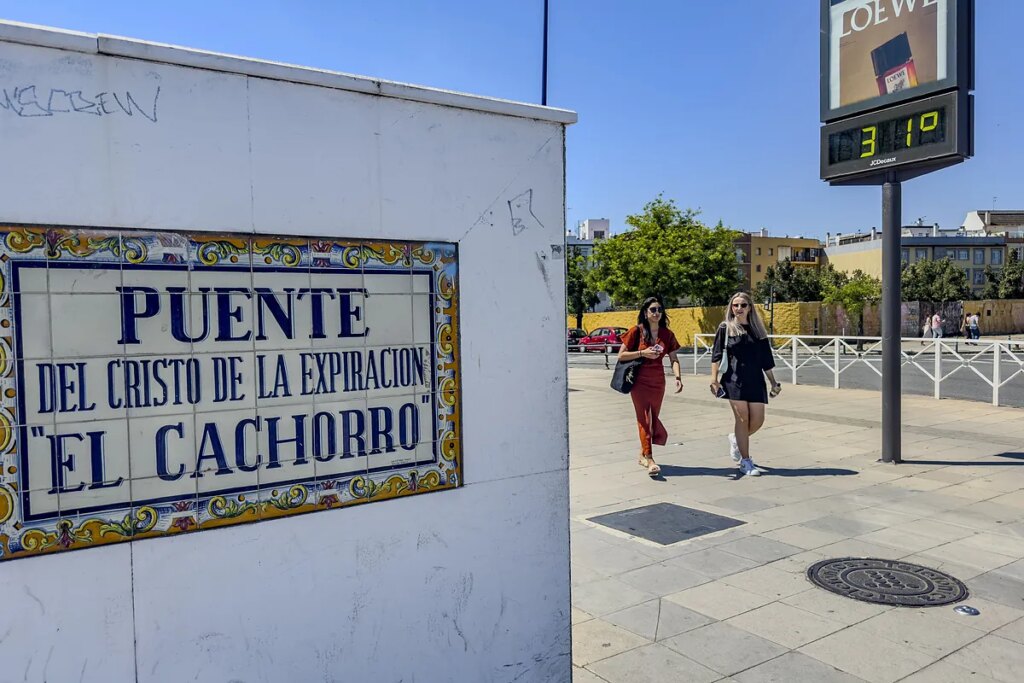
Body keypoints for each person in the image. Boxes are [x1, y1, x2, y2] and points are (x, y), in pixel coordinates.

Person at [709, 292, 781, 477]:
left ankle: (736, 439)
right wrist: (714, 379)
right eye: (735, 305)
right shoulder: (726, 328)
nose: (739, 309)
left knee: (757, 421)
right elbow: (716, 356)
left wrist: (773, 382)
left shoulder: (758, 330)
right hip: (734, 380)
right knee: (742, 419)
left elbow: (766, 360)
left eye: (743, 305)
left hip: (756, 380)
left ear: (750, 307)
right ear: (731, 308)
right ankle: (746, 461)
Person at [617, 296, 683, 477]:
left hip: (658, 381)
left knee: (653, 417)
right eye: (653, 310)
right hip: (639, 380)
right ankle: (650, 458)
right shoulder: (636, 331)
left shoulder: (667, 334)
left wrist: (677, 377)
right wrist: (642, 352)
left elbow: (674, 359)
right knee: (645, 418)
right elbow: (621, 356)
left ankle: (642, 454)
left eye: (659, 310)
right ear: (645, 313)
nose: (657, 313)